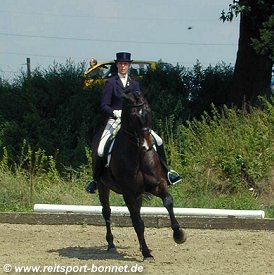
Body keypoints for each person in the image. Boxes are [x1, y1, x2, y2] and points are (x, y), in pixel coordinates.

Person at [86, 52, 181, 193]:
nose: (123, 66)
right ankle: (95, 180)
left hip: (134, 122)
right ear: (117, 65)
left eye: (125, 64)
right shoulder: (111, 83)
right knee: (100, 149)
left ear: (129, 65)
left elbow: (139, 103)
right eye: (120, 63)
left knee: (158, 140)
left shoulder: (134, 84)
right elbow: (104, 104)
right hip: (115, 120)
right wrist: (114, 112)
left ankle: (167, 173)